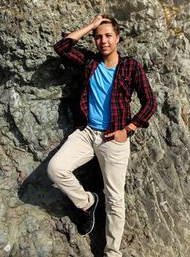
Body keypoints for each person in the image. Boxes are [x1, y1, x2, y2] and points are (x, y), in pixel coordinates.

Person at [48, 14, 157, 257]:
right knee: (56, 169)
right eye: (99, 37)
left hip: (114, 139)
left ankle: (112, 253)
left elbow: (150, 103)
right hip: (87, 133)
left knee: (116, 199)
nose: (103, 41)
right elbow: (62, 47)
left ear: (118, 38)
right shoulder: (90, 62)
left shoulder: (131, 66)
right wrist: (92, 25)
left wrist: (128, 130)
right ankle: (87, 203)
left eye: (108, 36)